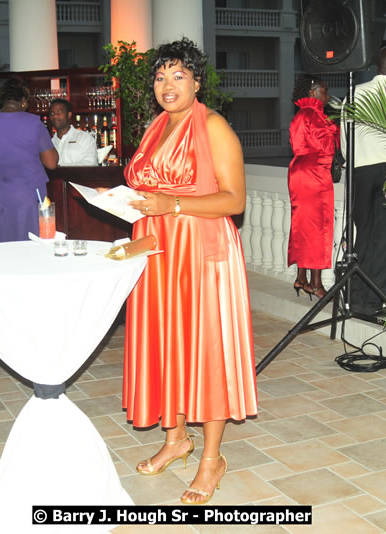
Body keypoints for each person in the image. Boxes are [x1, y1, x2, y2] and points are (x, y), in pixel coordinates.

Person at [123, 38, 258, 505]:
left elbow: (234, 200)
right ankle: (176, 438)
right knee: (166, 345)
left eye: (179, 75)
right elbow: (146, 185)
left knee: (206, 350)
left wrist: (173, 203)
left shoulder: (214, 126)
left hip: (201, 253)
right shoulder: (155, 127)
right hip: (158, 250)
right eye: (161, 76)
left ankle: (211, 460)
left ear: (197, 82)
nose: (168, 85)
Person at [342, 45, 386, 315]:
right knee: (385, 242)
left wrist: (354, 163)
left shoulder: (355, 93)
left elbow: (345, 139)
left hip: (360, 172)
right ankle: (371, 304)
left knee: (364, 238)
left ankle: (355, 299)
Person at [0, 79, 58, 242]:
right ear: (23, 102)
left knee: (1, 245)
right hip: (28, 195)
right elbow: (51, 162)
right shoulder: (33, 122)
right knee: (31, 246)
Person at [287, 76, 339, 300]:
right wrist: (334, 130)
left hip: (300, 172)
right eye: (324, 91)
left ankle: (302, 278)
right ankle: (316, 284)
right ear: (313, 91)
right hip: (314, 173)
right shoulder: (314, 115)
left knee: (303, 225)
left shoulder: (301, 115)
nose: (327, 96)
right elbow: (325, 146)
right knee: (319, 227)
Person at [48, 98, 97, 166]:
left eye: (59, 112)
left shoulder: (85, 138)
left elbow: (90, 164)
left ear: (69, 115)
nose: (55, 116)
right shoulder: (49, 143)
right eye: (52, 113)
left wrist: (60, 167)